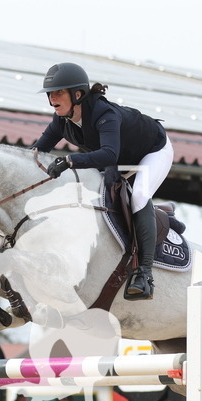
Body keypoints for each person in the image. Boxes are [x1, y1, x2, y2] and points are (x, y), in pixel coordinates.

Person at [32, 62, 174, 301]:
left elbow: (109, 155)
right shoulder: (61, 120)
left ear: (77, 94)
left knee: (139, 195)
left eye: (59, 92)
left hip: (152, 151)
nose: (52, 98)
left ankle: (144, 274)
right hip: (119, 158)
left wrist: (68, 160)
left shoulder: (104, 114)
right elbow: (36, 152)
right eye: (50, 94)